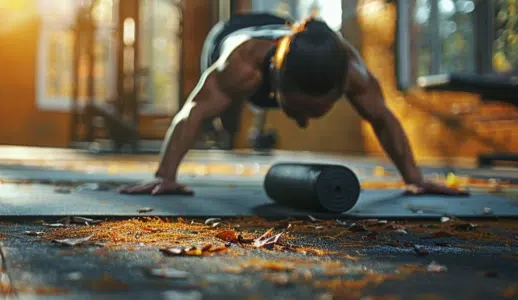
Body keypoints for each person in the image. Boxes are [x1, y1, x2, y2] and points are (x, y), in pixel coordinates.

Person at [118, 13, 468, 196]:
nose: (305, 123)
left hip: (286, 31)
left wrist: (414, 178)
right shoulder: (241, 66)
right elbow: (192, 111)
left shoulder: (352, 72)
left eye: (317, 112)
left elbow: (381, 117)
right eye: (297, 111)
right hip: (229, 33)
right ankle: (229, 119)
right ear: (276, 88)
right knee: (219, 116)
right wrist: (164, 176)